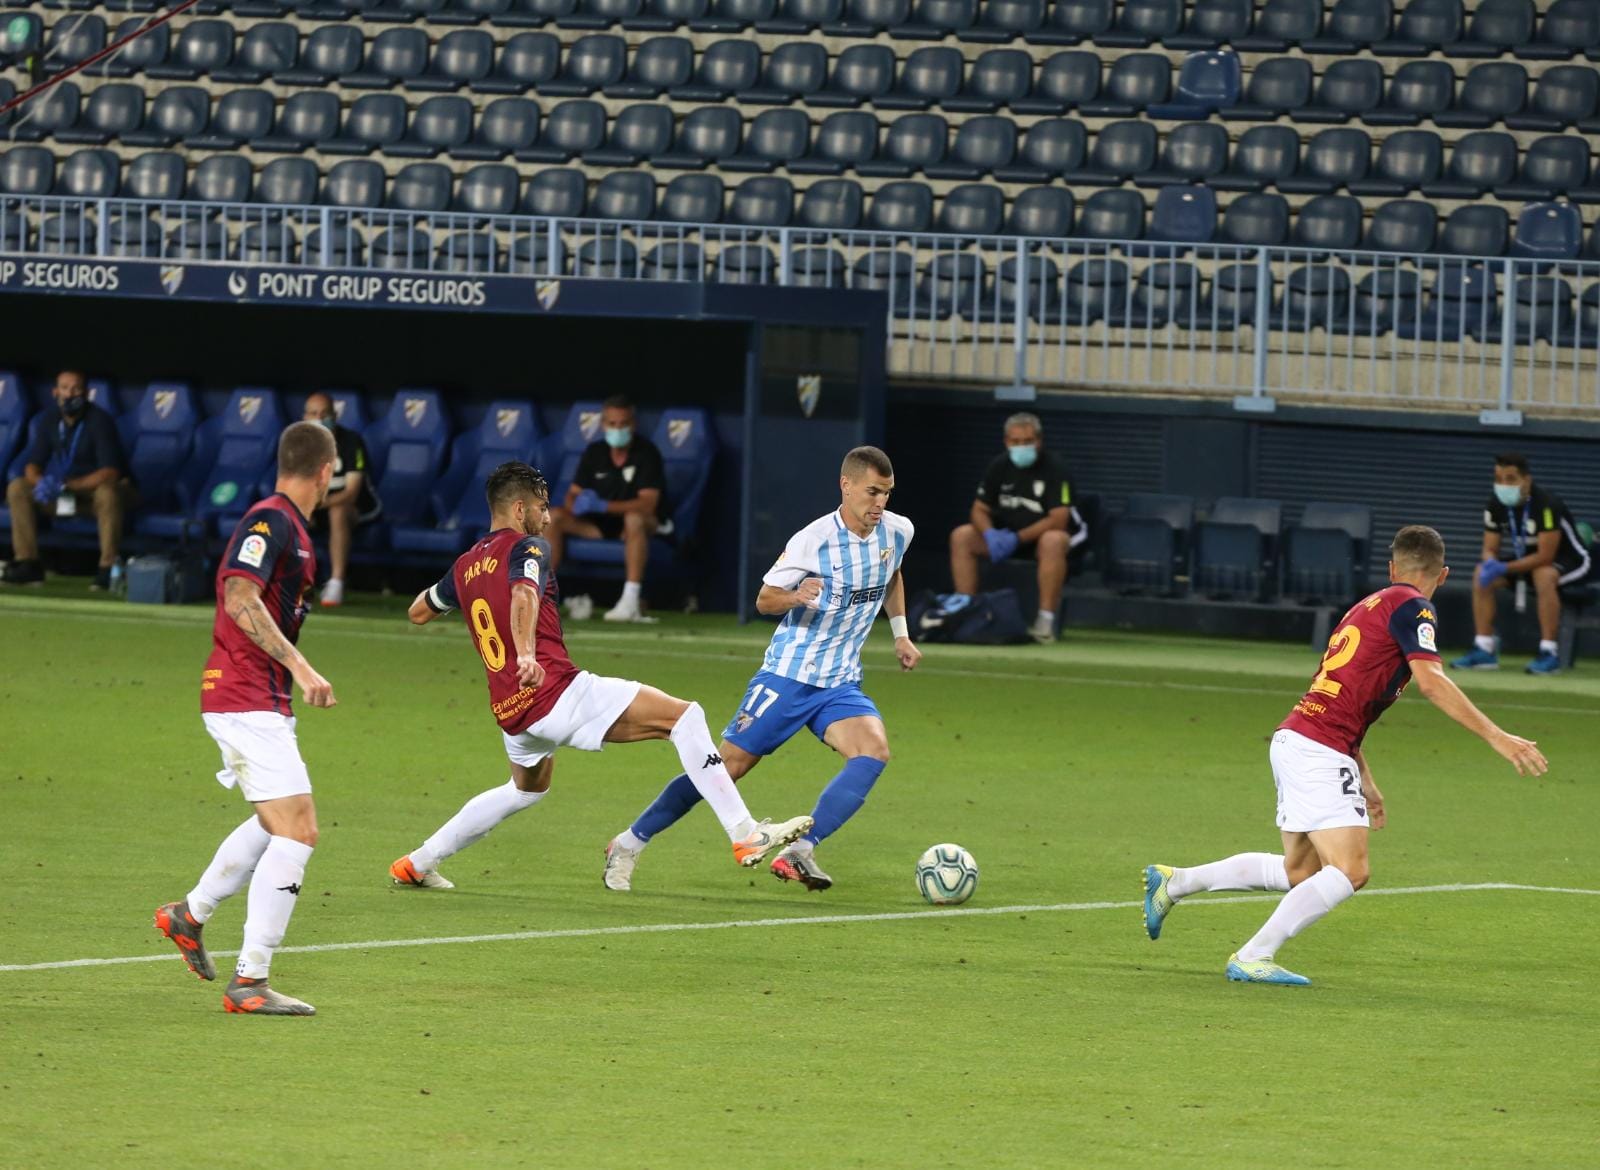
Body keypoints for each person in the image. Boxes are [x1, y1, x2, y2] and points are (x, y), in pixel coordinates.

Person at [1141, 525, 1549, 987]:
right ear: (1443, 573)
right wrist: (1497, 736)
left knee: (1301, 871)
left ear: (1392, 568)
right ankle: (1254, 954)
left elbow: (1345, 698)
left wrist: (1364, 779)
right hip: (1319, 748)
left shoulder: (1363, 608)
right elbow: (1432, 682)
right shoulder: (1416, 607)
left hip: (1299, 738)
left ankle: (1176, 882)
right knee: (1350, 871)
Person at [388, 461, 812, 890]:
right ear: (519, 509)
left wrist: (465, 594)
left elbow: (419, 611)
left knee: (524, 790)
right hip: (553, 691)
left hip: (511, 710)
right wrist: (527, 653)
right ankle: (744, 833)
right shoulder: (528, 549)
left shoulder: (463, 566)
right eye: (542, 507)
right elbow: (523, 592)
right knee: (684, 717)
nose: (549, 517)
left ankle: (418, 862)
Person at [603, 445, 921, 895]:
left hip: (839, 681)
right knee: (725, 768)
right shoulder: (813, 540)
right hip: (788, 677)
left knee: (873, 751)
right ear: (845, 485)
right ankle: (629, 843)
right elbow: (765, 599)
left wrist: (901, 633)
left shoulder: (897, 531)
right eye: (872, 492)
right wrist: (797, 595)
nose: (880, 503)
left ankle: (801, 850)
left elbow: (892, 576)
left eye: (886, 494)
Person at [153, 421, 338, 1017]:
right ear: (326, 471)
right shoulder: (272, 520)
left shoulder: (293, 527)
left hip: (259, 697)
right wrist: (304, 668)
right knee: (298, 829)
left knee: (273, 818)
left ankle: (190, 912)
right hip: (243, 693)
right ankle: (250, 980)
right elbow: (239, 594)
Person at [946, 412, 1087, 645]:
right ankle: (967, 612)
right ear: (1006, 442)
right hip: (1004, 537)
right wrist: (990, 533)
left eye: (1028, 441)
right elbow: (979, 509)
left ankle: (1045, 622)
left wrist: (1018, 538)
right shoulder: (999, 466)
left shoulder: (1056, 469)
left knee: (1053, 540)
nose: (1021, 447)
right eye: (1016, 442)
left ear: (1039, 441)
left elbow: (1059, 519)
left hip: (1040, 542)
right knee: (962, 536)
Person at [1450, 452, 1592, 676]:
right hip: (1528, 560)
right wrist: (1490, 564)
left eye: (1510, 479)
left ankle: (1549, 653)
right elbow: (1490, 548)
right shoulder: (1496, 503)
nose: (1503, 485)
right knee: (1481, 573)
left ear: (1526, 480)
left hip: (1572, 562)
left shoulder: (1546, 504)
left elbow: (1546, 556)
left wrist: (1505, 568)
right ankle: (1484, 649)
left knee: (1543, 574)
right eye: (1498, 479)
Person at [3, 370, 133, 589]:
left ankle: (107, 567)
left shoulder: (100, 420)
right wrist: (41, 482)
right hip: (66, 497)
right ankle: (28, 565)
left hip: (97, 496)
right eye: (64, 388)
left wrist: (68, 485)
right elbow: (33, 463)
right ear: (55, 392)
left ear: (85, 393)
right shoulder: (50, 419)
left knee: (107, 492)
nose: (69, 395)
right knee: (18, 488)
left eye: (75, 389)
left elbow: (110, 472)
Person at [545, 395, 669, 623]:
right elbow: (573, 492)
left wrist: (604, 505)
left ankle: (630, 601)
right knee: (554, 517)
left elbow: (648, 503)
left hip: (636, 525)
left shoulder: (647, 453)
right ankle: (544, 597)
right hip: (598, 524)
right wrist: (577, 504)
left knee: (634, 518)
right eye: (612, 424)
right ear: (603, 425)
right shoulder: (595, 452)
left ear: (633, 424)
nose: (618, 429)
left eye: (623, 424)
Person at [300, 392, 381, 608]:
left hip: (357, 508)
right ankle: (294, 582)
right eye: (314, 413)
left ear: (335, 416)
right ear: (305, 417)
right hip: (317, 507)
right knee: (292, 516)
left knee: (338, 511)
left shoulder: (351, 442)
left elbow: (352, 493)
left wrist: (316, 505)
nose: (320, 418)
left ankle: (336, 582)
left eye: (325, 413)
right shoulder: (301, 445)